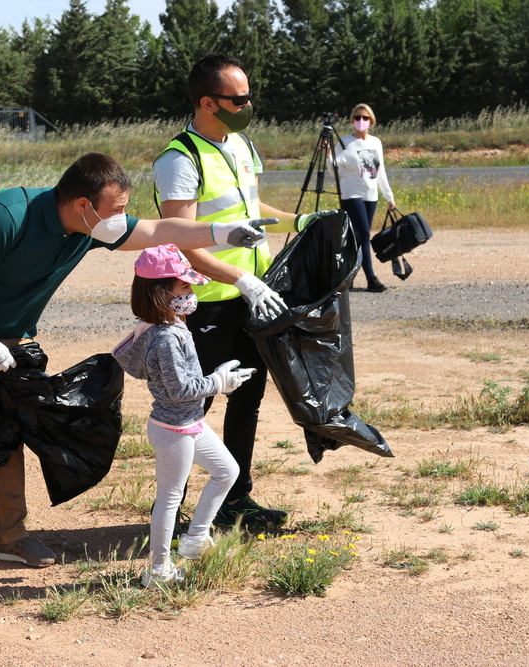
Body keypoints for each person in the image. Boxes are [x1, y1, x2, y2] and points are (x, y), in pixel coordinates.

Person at [0, 151, 269, 580]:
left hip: (15, 334)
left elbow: (160, 229)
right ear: (83, 204)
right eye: (116, 208)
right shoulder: (4, 215)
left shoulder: (91, 226)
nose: (122, 218)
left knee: (11, 426)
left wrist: (221, 231)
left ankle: (8, 537)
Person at [153, 52, 332, 530]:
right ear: (209, 102)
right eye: (241, 98)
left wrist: (299, 221)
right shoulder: (179, 159)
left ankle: (234, 502)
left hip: (253, 299)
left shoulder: (240, 145)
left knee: (247, 398)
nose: (250, 104)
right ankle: (170, 513)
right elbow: (180, 239)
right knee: (193, 406)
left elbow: (250, 204)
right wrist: (240, 279)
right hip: (207, 303)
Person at [112, 244, 249, 587]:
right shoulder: (166, 337)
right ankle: (158, 571)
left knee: (226, 470)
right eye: (184, 286)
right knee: (170, 498)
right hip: (173, 429)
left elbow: (183, 383)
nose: (192, 292)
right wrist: (219, 382)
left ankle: (196, 538)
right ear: (161, 292)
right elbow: (179, 390)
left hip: (190, 423)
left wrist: (215, 376)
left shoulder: (169, 326)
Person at [330, 103, 396, 292]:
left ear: (371, 121)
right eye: (357, 118)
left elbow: (380, 171)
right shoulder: (344, 142)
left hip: (370, 194)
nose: (361, 121)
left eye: (365, 118)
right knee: (364, 235)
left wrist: (389, 197)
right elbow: (335, 170)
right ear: (352, 121)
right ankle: (371, 279)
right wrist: (328, 157)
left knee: (358, 238)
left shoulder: (376, 142)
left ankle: (347, 277)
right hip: (351, 194)